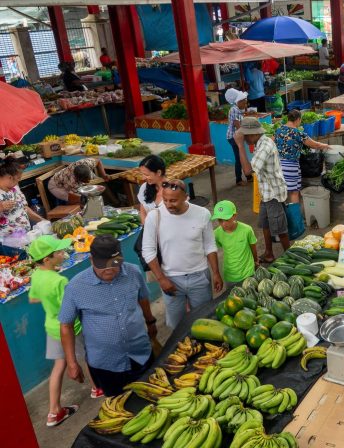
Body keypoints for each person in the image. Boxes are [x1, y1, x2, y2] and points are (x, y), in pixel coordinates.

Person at [59, 235, 158, 396]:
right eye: (102, 265)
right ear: (91, 260)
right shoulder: (75, 287)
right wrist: (71, 363)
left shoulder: (133, 272)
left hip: (141, 353)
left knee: (154, 396)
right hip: (106, 364)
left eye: (115, 263)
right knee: (119, 408)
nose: (109, 269)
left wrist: (151, 322)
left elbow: (143, 298)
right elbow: (65, 325)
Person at [29, 235, 100, 426]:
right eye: (59, 252)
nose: (64, 253)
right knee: (87, 356)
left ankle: (54, 412)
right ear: (47, 259)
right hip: (70, 328)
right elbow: (70, 308)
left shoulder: (36, 276)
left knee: (58, 366)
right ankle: (96, 388)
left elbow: (33, 298)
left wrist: (49, 292)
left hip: (51, 327)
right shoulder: (59, 281)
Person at [142, 179, 223, 329]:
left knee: (204, 321)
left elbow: (209, 245)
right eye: (165, 200)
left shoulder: (202, 214)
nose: (168, 204)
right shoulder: (155, 216)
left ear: (186, 197)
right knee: (176, 325)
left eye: (173, 200)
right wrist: (161, 279)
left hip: (200, 276)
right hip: (170, 279)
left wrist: (216, 273)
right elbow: (147, 250)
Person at [238, 117, 290, 263]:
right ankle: (269, 253)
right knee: (265, 224)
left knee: (280, 228)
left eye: (245, 136)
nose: (244, 138)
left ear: (253, 133)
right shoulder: (259, 143)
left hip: (273, 194)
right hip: (265, 193)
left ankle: (291, 258)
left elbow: (247, 171)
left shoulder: (265, 146)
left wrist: (240, 146)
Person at [275, 109, 331, 203]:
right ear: (297, 119)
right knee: (294, 193)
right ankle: (295, 217)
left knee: (284, 192)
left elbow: (271, 141)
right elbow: (314, 145)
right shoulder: (298, 133)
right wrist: (325, 146)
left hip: (280, 165)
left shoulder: (278, 130)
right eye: (300, 120)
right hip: (291, 166)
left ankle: (286, 214)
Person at [0, 158, 44, 251]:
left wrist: (42, 220)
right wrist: (1, 207)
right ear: (9, 177)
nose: (18, 181)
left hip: (25, 237)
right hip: (8, 246)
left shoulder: (14, 187)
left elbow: (24, 208)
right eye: (18, 178)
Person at [211, 200, 259, 285]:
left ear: (234, 216)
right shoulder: (216, 234)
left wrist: (256, 261)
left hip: (248, 273)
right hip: (230, 276)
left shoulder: (247, 230)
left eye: (226, 219)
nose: (223, 224)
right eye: (220, 220)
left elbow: (253, 248)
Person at [225, 88, 249, 186]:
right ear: (238, 101)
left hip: (235, 136)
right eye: (244, 102)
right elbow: (237, 125)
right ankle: (239, 179)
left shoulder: (237, 109)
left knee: (242, 156)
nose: (245, 104)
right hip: (233, 137)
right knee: (239, 157)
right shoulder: (235, 110)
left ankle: (248, 176)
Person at [136, 155, 166, 224]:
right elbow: (143, 211)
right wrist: (147, 229)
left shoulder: (173, 190)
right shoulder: (144, 187)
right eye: (142, 174)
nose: (143, 178)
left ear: (159, 172)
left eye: (147, 175)